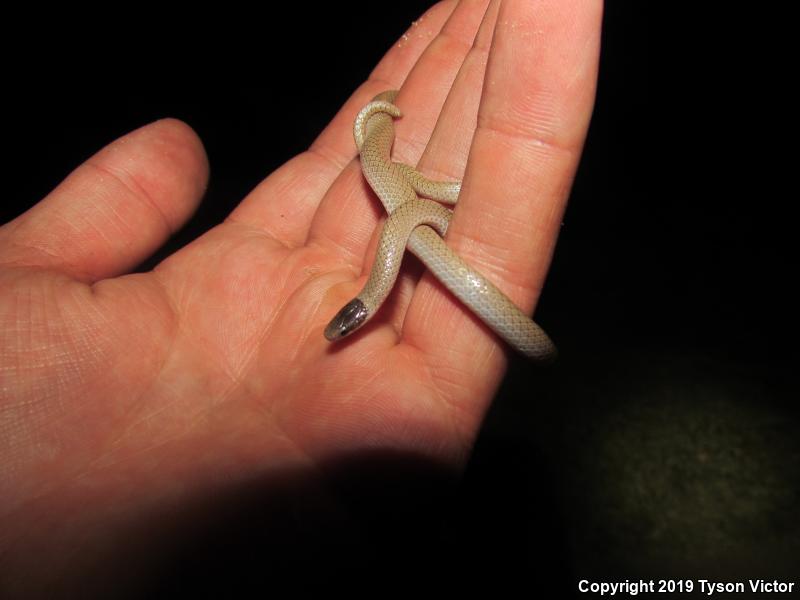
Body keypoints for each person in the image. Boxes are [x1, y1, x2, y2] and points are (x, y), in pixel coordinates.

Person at [0, 1, 601, 594]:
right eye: (349, 323)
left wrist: (385, 143)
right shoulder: (387, 256)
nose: (345, 329)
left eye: (348, 323)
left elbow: (402, 215)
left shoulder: (390, 247)